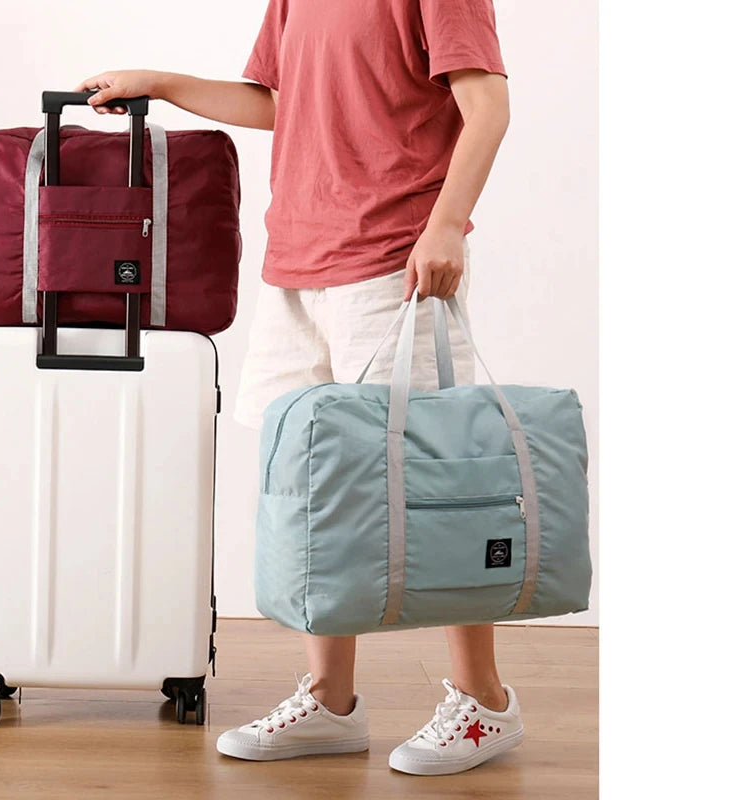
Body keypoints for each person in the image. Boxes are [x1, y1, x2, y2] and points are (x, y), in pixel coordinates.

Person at [77, 0, 521, 777]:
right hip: (296, 266)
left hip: (395, 262)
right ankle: (331, 701)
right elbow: (277, 104)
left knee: (434, 483)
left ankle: (484, 702)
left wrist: (447, 224)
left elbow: (486, 104)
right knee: (314, 486)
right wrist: (165, 82)